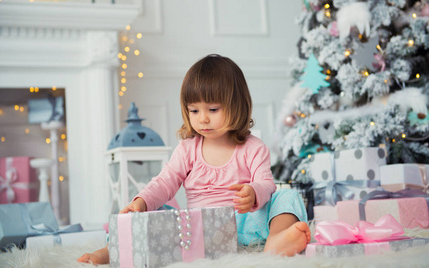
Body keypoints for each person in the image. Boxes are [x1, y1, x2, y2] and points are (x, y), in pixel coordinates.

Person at [78, 54, 310, 265]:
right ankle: (114, 248)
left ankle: (277, 241)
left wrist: (254, 192)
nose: (203, 120)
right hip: (197, 231)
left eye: (213, 109)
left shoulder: (253, 147)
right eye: (194, 111)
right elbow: (165, 181)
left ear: (237, 105)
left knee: (287, 196)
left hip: (244, 226)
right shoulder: (188, 148)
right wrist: (143, 201)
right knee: (154, 212)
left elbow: (266, 183)